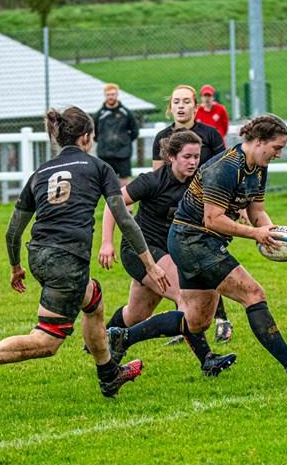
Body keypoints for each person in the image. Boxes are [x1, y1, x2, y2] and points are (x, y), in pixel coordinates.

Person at [0, 106, 169, 405]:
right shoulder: (99, 167)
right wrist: (150, 264)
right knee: (46, 342)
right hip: (67, 260)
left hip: (38, 256)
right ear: (86, 138)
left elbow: (12, 232)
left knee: (93, 300)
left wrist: (16, 267)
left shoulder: (41, 172)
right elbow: (124, 219)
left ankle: (108, 373)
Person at [113, 115, 287, 385]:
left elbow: (256, 211)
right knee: (253, 293)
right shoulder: (225, 168)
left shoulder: (258, 168)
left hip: (200, 241)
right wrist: (255, 234)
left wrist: (272, 236)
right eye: (277, 147)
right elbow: (212, 219)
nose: (279, 154)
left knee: (198, 320)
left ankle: (124, 337)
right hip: (192, 241)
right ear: (259, 141)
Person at [99, 129, 237, 376]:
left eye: (197, 156)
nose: (193, 162)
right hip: (140, 251)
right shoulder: (153, 181)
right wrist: (106, 242)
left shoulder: (199, 183)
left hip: (172, 251)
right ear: (172, 157)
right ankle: (207, 360)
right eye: (187, 157)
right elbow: (114, 204)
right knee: (185, 298)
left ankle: (102, 340)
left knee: (136, 314)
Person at [151, 85, 234, 344]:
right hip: (174, 212)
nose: (180, 106)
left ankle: (221, 320)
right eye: (176, 101)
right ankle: (185, 321)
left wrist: (236, 205)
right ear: (170, 107)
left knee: (208, 262)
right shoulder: (162, 138)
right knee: (180, 265)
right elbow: (158, 178)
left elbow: (224, 170)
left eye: (186, 101)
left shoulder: (209, 134)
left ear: (196, 107)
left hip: (204, 208)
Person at [93, 83, 139, 188]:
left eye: (113, 94)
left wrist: (124, 142)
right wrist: (103, 142)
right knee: (107, 181)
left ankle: (125, 199)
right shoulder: (99, 115)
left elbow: (134, 131)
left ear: (117, 95)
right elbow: (94, 134)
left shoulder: (126, 113)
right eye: (108, 94)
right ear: (104, 95)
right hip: (105, 154)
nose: (110, 97)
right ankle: (110, 200)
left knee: (124, 181)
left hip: (123, 154)